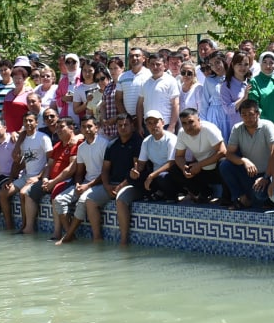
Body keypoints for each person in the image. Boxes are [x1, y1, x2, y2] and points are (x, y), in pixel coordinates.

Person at [81, 114, 143, 242]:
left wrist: (121, 186)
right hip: (112, 185)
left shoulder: (138, 143)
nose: (123, 127)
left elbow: (136, 170)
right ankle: (97, 238)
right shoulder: (111, 144)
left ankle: (124, 241)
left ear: (132, 126)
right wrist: (106, 186)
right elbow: (105, 169)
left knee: (120, 200)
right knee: (90, 200)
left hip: (132, 184)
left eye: (126, 125)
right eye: (120, 125)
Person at [55, 116, 109, 242]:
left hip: (101, 183)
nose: (87, 129)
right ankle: (71, 236)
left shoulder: (104, 144)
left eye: (90, 126)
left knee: (83, 200)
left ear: (97, 128)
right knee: (59, 200)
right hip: (85, 183)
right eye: (84, 127)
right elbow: (79, 172)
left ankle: (67, 237)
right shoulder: (81, 147)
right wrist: (78, 184)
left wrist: (87, 186)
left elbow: (106, 172)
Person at [219, 99, 274, 209]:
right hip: (249, 173)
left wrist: (266, 177)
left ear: (258, 114)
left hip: (267, 174)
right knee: (225, 165)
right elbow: (229, 154)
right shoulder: (237, 128)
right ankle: (241, 197)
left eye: (250, 114)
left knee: (259, 196)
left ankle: (263, 199)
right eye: (244, 115)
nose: (247, 118)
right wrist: (243, 160)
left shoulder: (267, 126)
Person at [169, 108, 226, 203]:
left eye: (191, 122)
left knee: (225, 164)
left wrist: (199, 165)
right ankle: (203, 193)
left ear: (198, 120)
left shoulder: (209, 129)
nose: (188, 126)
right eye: (184, 123)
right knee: (174, 169)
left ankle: (227, 197)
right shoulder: (182, 133)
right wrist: (184, 169)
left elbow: (222, 152)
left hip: (216, 169)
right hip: (200, 171)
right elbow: (179, 156)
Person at [141, 52, 181, 134]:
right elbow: (139, 104)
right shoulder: (145, 82)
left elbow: (175, 104)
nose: (155, 67)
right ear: (148, 65)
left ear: (165, 65)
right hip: (148, 126)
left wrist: (172, 126)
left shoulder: (171, 81)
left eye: (158, 64)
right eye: (152, 64)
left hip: (165, 126)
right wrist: (139, 125)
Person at [247, 50, 274, 125]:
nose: (268, 66)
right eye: (264, 62)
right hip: (261, 123)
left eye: (271, 63)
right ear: (260, 63)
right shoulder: (254, 81)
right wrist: (266, 123)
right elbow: (254, 105)